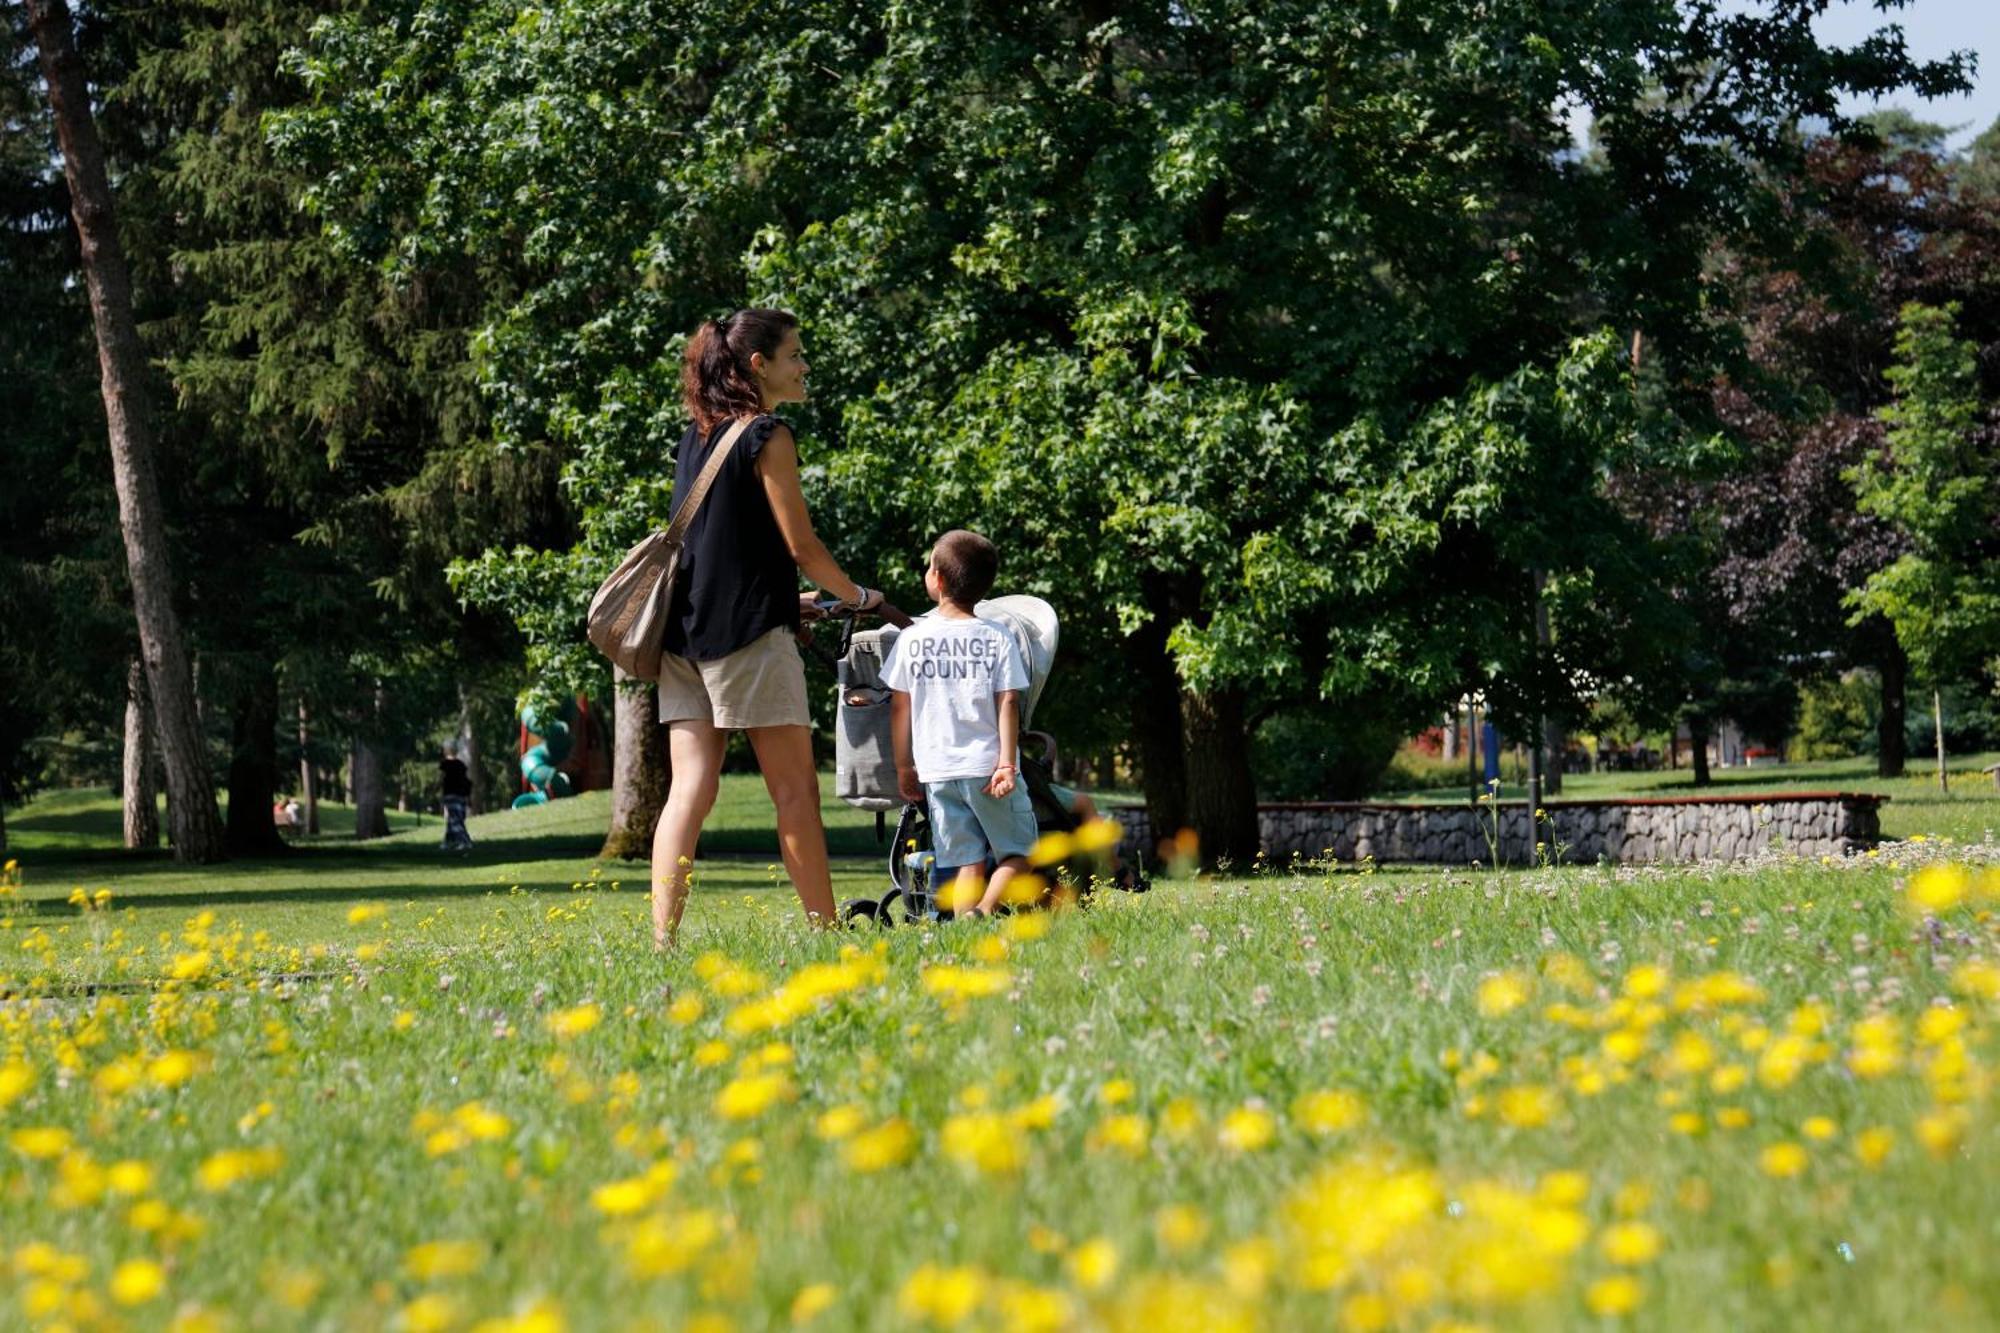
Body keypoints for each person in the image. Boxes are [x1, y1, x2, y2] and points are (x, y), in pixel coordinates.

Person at [650, 308, 889, 947]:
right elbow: (802, 547)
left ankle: (663, 942)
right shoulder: (767, 435)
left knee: (688, 794)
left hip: (683, 636)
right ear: (759, 365)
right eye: (795, 354)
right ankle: (825, 932)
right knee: (794, 794)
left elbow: (723, 548)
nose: (805, 365)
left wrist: (795, 599)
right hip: (748, 641)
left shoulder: (697, 435)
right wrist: (859, 596)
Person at [885, 530, 1035, 918]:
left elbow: (899, 708)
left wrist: (904, 765)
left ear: (937, 578)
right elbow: (1009, 700)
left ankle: (966, 926)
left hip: (938, 770)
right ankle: (984, 910)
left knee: (965, 858)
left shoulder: (912, 639)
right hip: (987, 765)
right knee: (1020, 852)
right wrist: (1007, 762)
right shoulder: (997, 636)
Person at [438, 747, 474, 851]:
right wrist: (468, 797)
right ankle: (448, 841)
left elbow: (441, 780)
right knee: (453, 819)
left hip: (451, 795)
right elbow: (466, 781)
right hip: (461, 795)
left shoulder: (444, 765)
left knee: (455, 820)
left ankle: (464, 841)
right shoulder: (461, 765)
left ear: (446, 751)